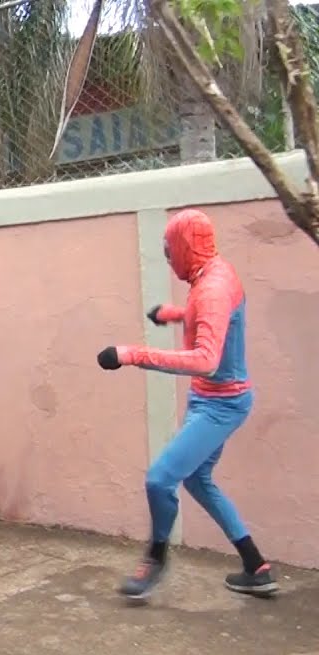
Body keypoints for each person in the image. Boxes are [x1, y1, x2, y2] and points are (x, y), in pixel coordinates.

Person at [97, 208, 277, 601]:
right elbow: (216, 317)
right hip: (212, 400)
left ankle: (156, 557)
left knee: (160, 479)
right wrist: (173, 314)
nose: (167, 256)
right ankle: (256, 565)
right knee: (196, 479)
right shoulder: (215, 274)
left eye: (169, 249)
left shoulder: (211, 288)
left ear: (185, 246)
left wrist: (132, 354)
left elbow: (206, 360)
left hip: (220, 405)